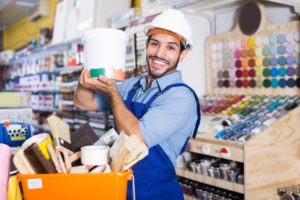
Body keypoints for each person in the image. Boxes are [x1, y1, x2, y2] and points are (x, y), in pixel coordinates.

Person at [74, 9, 200, 200]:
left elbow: (136, 137)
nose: (159, 53)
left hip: (157, 194)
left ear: (183, 54)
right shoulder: (132, 85)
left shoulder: (181, 97)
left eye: (170, 47)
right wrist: (87, 74)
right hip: (120, 188)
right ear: (147, 45)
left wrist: (112, 92)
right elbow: (85, 103)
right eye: (155, 44)